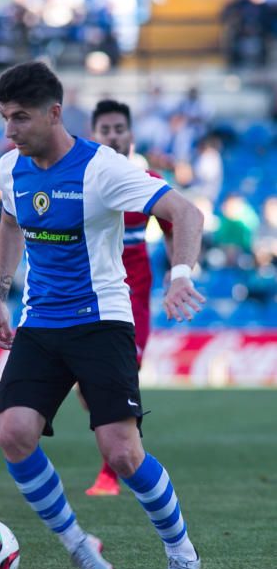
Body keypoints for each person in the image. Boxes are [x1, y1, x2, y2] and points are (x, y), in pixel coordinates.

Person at [0, 61, 205, 569]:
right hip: (41, 321)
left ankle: (181, 551)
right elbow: (11, 222)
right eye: (4, 119)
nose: (9, 131)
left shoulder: (102, 169)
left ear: (54, 114)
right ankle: (79, 545)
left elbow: (186, 212)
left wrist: (180, 276)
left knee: (123, 453)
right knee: (13, 432)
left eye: (19, 119)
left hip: (102, 320)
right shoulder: (9, 169)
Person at [84, 99, 172, 497]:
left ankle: (111, 472)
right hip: (88, 296)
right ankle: (121, 449)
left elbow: (174, 222)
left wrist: (178, 273)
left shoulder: (146, 180)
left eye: (120, 128)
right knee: (90, 390)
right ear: (94, 135)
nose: (114, 135)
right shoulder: (81, 181)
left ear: (130, 134)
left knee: (122, 380)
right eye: (105, 130)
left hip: (133, 300)